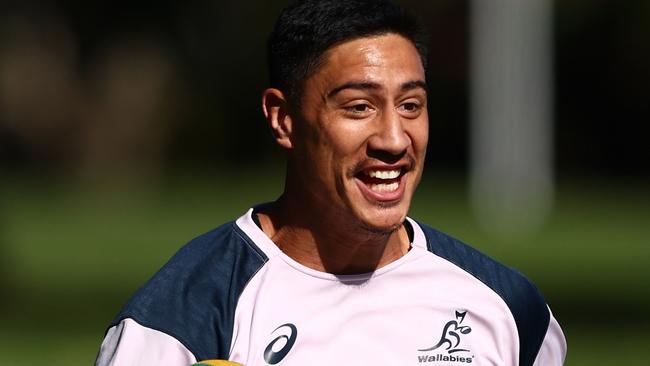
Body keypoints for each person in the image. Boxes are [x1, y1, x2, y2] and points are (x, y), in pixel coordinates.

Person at [95, 0, 567, 365]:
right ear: (283, 120)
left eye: (410, 105)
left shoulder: (508, 309)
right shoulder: (182, 320)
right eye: (359, 106)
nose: (393, 139)